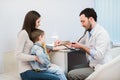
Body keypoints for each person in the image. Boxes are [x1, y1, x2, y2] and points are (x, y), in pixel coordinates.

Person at [55, 8, 111, 80]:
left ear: (91, 19)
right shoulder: (89, 33)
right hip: (92, 64)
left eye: (83, 21)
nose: (82, 25)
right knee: (70, 68)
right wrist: (62, 42)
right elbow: (75, 43)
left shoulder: (101, 33)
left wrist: (82, 46)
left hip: (100, 68)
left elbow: (98, 55)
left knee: (71, 74)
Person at [16, 10, 60, 80]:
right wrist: (35, 58)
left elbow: (39, 45)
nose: (39, 24)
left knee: (58, 74)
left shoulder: (32, 33)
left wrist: (53, 45)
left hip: (36, 69)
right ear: (32, 22)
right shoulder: (23, 33)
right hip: (26, 71)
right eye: (38, 22)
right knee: (56, 78)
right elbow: (18, 55)